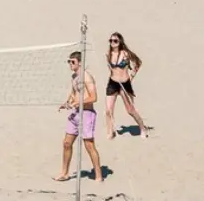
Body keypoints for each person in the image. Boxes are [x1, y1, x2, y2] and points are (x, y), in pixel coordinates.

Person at [57, 51, 104, 183]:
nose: (70, 64)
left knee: (89, 145)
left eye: (73, 62)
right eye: (69, 61)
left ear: (80, 63)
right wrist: (67, 103)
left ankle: (99, 175)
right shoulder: (74, 77)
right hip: (75, 114)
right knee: (66, 143)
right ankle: (64, 173)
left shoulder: (87, 77)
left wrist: (79, 102)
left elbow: (94, 97)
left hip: (86, 114)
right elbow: (73, 94)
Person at [104, 33, 149, 139]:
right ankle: (110, 132)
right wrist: (113, 73)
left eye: (115, 41)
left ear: (120, 42)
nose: (112, 43)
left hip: (124, 84)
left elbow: (138, 63)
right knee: (108, 110)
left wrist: (131, 76)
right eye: (111, 41)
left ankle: (142, 127)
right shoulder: (108, 54)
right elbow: (110, 68)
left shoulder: (126, 54)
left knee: (130, 110)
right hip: (113, 83)